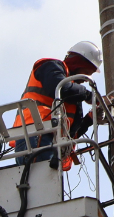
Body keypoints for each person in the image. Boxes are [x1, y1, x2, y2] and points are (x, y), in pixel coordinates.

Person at [13, 40, 103, 168]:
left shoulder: (73, 93)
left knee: (42, 178)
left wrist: (89, 119)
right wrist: (89, 96)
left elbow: (70, 133)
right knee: (39, 175)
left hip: (51, 140)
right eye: (87, 72)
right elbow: (60, 88)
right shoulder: (51, 67)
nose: (86, 78)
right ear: (79, 63)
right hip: (37, 133)